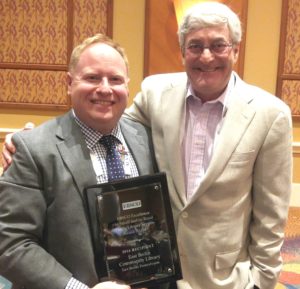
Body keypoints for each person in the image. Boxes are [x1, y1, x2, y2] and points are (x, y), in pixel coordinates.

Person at [1, 2, 293, 289]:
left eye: (218, 45)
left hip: (221, 277)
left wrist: (261, 283)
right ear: (182, 52)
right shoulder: (156, 96)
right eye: (195, 46)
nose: (206, 57)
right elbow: (96, 120)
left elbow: (271, 215)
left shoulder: (270, 114)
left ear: (236, 50)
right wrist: (28, 140)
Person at [0, 33, 158, 289]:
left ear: (128, 86)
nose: (105, 88)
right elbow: (11, 243)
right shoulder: (33, 149)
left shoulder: (148, 140)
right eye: (92, 77)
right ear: (69, 82)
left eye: (115, 79)